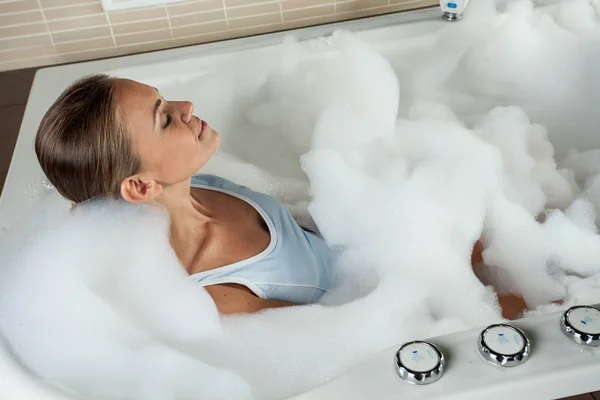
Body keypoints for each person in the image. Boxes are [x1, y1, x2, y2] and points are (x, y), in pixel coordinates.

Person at [35, 74, 526, 318]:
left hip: (372, 244)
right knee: (524, 294)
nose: (186, 106)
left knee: (512, 222)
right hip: (390, 298)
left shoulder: (191, 184)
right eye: (165, 117)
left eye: (166, 99)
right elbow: (347, 334)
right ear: (141, 187)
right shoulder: (217, 297)